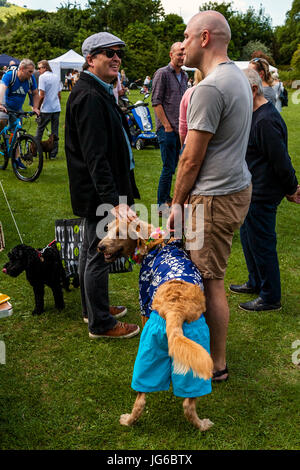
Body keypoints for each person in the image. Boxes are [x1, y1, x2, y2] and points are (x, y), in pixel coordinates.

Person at [167, 11, 253, 382]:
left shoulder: (210, 87)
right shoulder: (238, 77)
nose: (182, 44)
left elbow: (190, 159)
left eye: (186, 37)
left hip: (214, 198)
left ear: (204, 38)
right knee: (208, 274)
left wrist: (175, 206)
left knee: (209, 279)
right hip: (235, 189)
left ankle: (215, 365)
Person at [65, 31, 140, 339]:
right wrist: (114, 201)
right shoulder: (89, 95)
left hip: (96, 191)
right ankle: (101, 324)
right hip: (100, 193)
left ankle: (92, 309)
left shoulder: (97, 89)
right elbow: (96, 156)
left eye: (118, 53)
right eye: (108, 52)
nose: (116, 58)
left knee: (88, 251)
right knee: (98, 255)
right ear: (90, 59)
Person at [230, 69, 300, 311]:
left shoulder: (266, 119)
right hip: (250, 190)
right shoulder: (254, 115)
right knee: (249, 239)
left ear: (252, 90)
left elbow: (281, 160)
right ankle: (255, 282)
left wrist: (292, 188)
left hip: (263, 193)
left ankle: (270, 297)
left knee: (262, 244)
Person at [151, 42, 188, 212]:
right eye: (179, 54)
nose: (182, 57)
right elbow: (156, 102)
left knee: (177, 166)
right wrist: (166, 126)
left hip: (180, 129)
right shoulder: (163, 74)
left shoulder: (185, 76)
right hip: (167, 129)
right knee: (168, 167)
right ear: (170, 55)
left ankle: (170, 199)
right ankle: (161, 203)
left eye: (183, 54)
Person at [0, 58, 39, 132]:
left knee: (17, 131)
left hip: (17, 109)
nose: (31, 74)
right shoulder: (10, 75)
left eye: (32, 72)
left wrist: (35, 108)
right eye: (30, 71)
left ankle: (13, 142)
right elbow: (2, 89)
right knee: (2, 121)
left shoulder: (31, 78)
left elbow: (35, 94)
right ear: (21, 69)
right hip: (5, 106)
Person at [35, 60, 61, 159]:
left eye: (40, 68)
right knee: (55, 132)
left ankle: (35, 150)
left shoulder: (42, 77)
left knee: (40, 130)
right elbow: (59, 94)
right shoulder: (56, 76)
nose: (39, 70)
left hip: (46, 109)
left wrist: (37, 107)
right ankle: (53, 154)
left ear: (45, 67)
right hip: (56, 108)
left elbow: (41, 95)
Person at [179, 69, 203, 146]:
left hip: (190, 141)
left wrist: (183, 146)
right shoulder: (220, 92)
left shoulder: (189, 92)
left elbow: (183, 125)